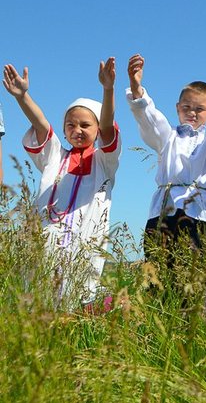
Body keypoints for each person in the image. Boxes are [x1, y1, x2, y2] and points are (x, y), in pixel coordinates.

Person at [2, 59, 120, 307]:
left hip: (84, 245)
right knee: (37, 297)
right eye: (71, 125)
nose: (77, 129)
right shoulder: (55, 156)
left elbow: (108, 127)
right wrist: (22, 96)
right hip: (45, 241)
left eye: (85, 125)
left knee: (77, 299)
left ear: (97, 129)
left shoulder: (104, 162)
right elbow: (41, 124)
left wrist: (108, 90)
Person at [126, 54, 206, 274]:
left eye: (199, 109)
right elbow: (150, 119)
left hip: (197, 214)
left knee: (193, 273)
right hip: (162, 212)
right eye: (187, 106)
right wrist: (137, 89)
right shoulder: (167, 137)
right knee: (158, 272)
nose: (192, 112)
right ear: (177, 108)